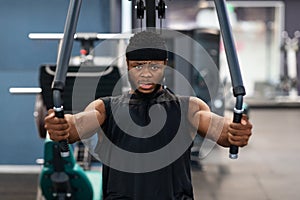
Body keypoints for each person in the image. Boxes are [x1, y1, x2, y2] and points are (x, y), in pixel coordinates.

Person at [45, 31, 252, 200]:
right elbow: (75, 126)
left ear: (165, 65)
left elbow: (221, 130)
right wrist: (62, 125)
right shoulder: (105, 109)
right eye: (138, 66)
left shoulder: (188, 108)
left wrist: (234, 130)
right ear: (128, 65)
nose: (146, 73)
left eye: (154, 66)